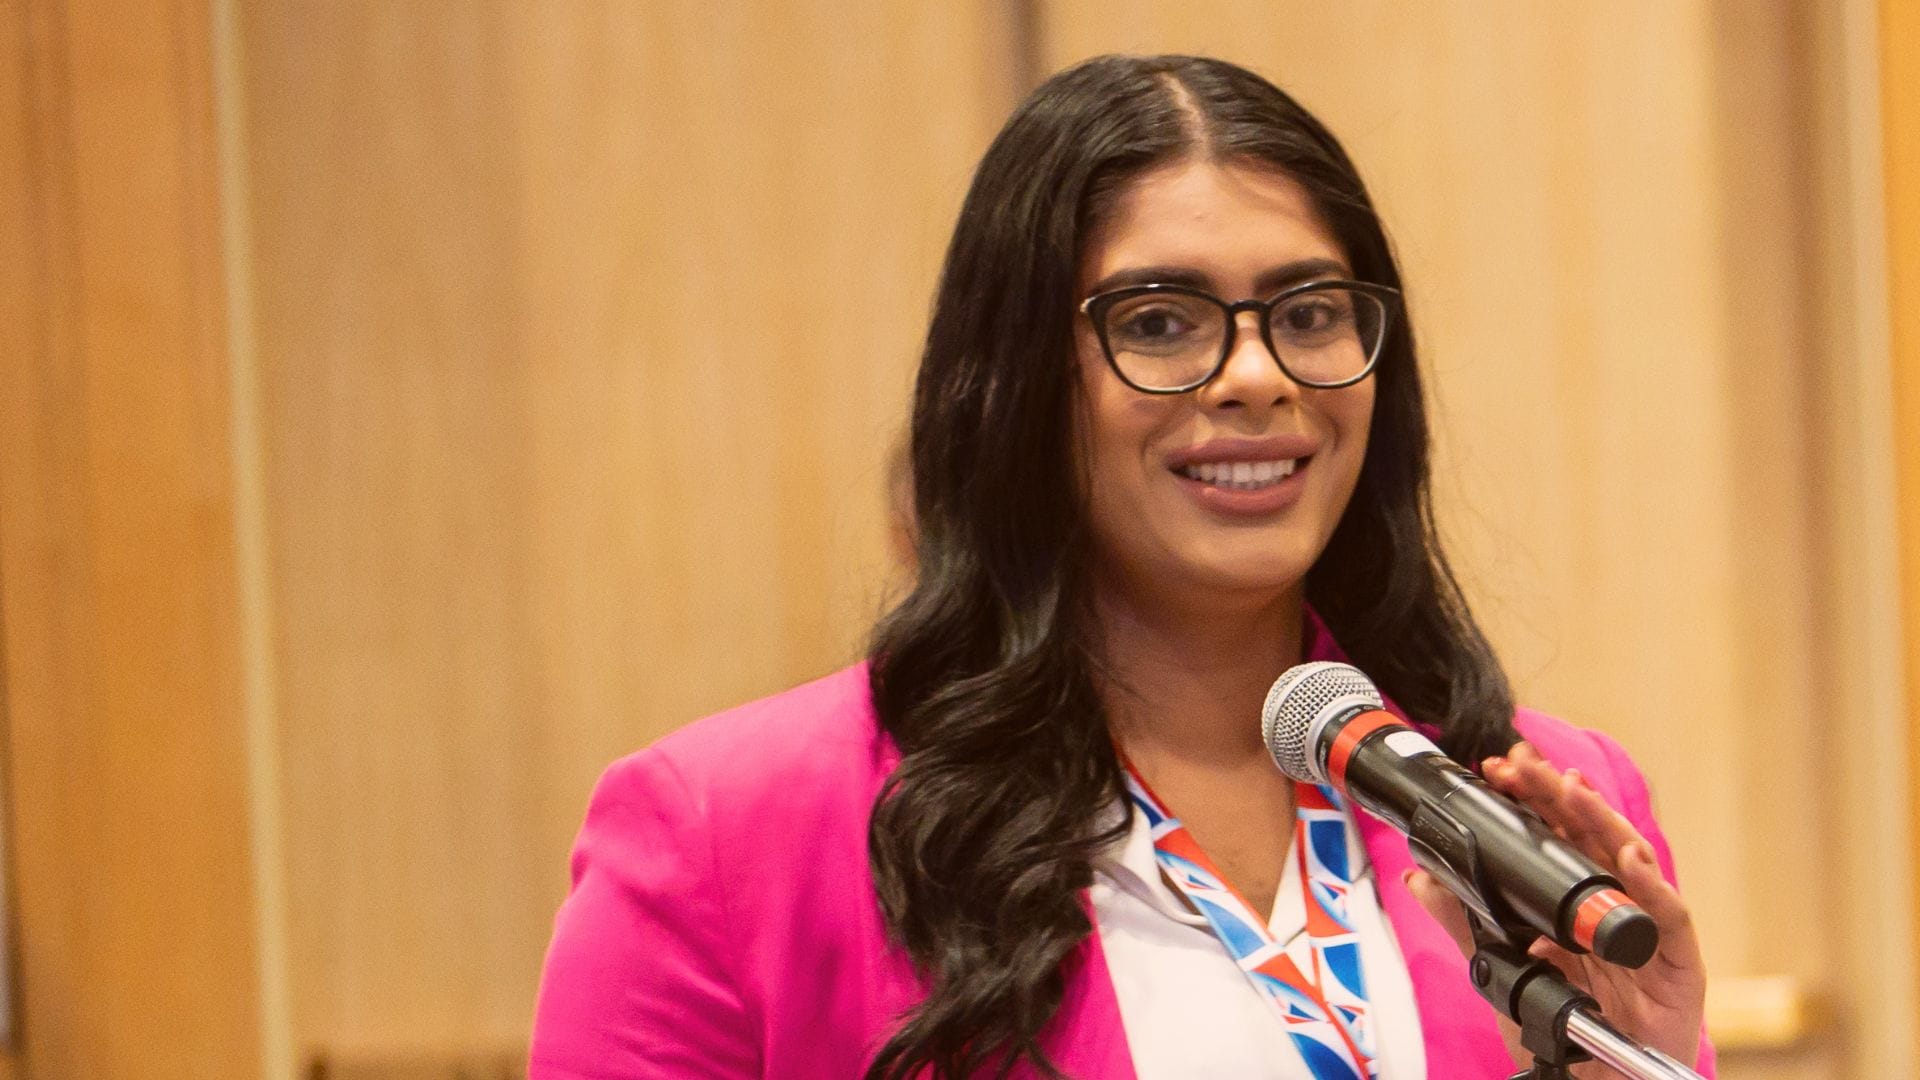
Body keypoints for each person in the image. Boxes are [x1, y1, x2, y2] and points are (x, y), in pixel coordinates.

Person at [528, 54, 1712, 1080]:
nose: (1257, 375)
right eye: (1159, 321)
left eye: (1308, 312)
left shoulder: (1534, 800)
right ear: (1016, 386)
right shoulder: (726, 838)